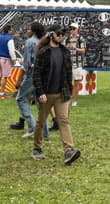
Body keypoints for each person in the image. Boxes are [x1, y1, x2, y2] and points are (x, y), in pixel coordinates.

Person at [29, 30, 80, 166]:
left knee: (63, 120)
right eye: (58, 33)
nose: (61, 36)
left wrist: (69, 90)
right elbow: (37, 74)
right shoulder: (43, 52)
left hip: (61, 94)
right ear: (51, 35)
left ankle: (68, 150)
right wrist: (40, 92)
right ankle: (37, 148)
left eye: (63, 34)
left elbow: (68, 73)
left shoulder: (65, 52)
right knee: (41, 121)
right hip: (46, 94)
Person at [9, 22, 46, 136]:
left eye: (29, 29)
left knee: (20, 98)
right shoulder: (43, 42)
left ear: (33, 31)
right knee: (41, 106)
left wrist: (19, 80)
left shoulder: (29, 42)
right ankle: (45, 134)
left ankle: (31, 126)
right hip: (42, 76)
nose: (27, 31)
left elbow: (26, 65)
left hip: (31, 75)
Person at [0, 27, 15, 99]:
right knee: (4, 77)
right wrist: (14, 59)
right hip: (5, 59)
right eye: (11, 30)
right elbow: (11, 50)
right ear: (8, 30)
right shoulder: (9, 39)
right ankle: (2, 93)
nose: (12, 31)